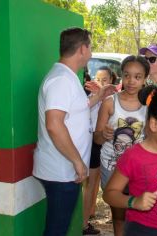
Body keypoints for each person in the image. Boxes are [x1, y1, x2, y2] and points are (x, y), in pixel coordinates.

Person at [32, 27, 115, 236]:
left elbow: (75, 109)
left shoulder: (68, 77)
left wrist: (98, 96)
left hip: (65, 169)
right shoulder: (61, 80)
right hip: (62, 170)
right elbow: (54, 124)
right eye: (91, 47)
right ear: (82, 49)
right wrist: (77, 161)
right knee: (57, 229)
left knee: (58, 226)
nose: (92, 53)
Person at [103, 82, 157, 236]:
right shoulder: (133, 156)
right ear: (154, 124)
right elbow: (109, 194)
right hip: (140, 230)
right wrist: (133, 202)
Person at [94, 55, 149, 236]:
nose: (131, 81)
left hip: (139, 168)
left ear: (144, 79)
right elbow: (97, 139)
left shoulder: (149, 105)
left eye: (137, 77)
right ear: (121, 76)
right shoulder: (110, 102)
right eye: (127, 75)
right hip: (112, 166)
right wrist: (103, 134)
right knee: (118, 216)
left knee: (140, 214)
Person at [82, 66, 117, 235]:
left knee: (97, 183)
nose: (100, 83)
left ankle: (90, 214)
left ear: (112, 81)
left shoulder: (114, 100)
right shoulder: (91, 97)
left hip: (107, 144)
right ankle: (84, 222)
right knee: (90, 183)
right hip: (93, 143)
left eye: (105, 80)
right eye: (98, 79)